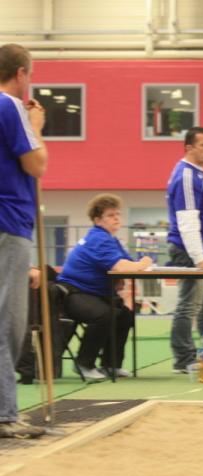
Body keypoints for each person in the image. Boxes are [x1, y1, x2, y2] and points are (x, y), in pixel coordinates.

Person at [0, 43, 48, 438]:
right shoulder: (11, 106)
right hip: (8, 223)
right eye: (29, 74)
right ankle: (4, 413)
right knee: (9, 324)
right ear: (20, 74)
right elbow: (36, 164)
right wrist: (36, 127)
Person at [57, 194, 152, 380]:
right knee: (104, 314)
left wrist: (135, 265)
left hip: (92, 293)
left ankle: (111, 365)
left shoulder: (110, 239)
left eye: (118, 214)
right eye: (110, 215)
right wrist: (143, 263)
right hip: (72, 294)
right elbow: (122, 266)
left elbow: (127, 263)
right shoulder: (98, 238)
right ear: (97, 220)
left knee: (124, 315)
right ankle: (84, 363)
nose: (116, 218)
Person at [166, 126, 203, 373]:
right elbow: (187, 221)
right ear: (189, 148)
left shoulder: (200, 174)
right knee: (189, 306)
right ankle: (184, 359)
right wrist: (200, 259)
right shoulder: (187, 176)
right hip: (190, 252)